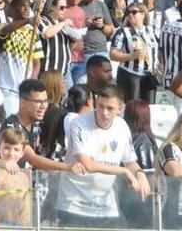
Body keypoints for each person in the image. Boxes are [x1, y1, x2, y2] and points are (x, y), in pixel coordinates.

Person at [60, 84, 150, 225]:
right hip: (75, 203)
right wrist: (123, 171)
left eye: (110, 108)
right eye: (100, 106)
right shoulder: (78, 124)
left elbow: (130, 161)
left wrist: (139, 173)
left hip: (105, 205)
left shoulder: (122, 126)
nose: (104, 112)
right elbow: (87, 164)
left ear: (120, 109)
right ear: (95, 102)